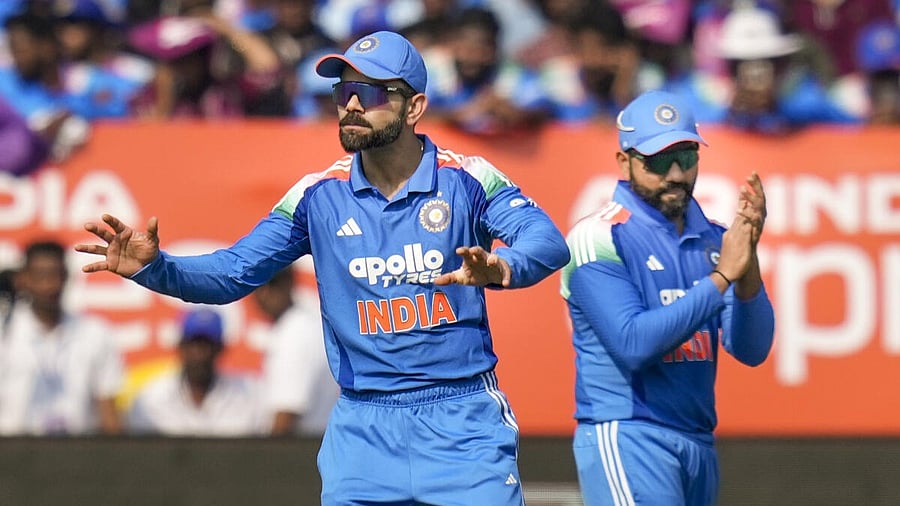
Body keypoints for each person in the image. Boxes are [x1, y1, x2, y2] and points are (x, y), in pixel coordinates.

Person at [75, 30, 569, 504]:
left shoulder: (468, 178)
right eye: (343, 92)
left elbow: (546, 242)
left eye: (369, 93)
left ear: (414, 107)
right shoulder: (316, 195)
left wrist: (501, 268)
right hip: (363, 430)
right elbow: (232, 272)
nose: (351, 105)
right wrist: (155, 268)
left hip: (461, 420)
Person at [559, 90, 775, 505]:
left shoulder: (714, 239)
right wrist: (721, 278)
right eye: (658, 161)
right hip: (628, 433)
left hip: (698, 441)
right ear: (624, 162)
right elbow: (633, 344)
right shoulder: (597, 237)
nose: (676, 174)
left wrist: (747, 263)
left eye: (686, 157)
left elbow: (752, 349)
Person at [0, 240, 124, 436]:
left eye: (55, 275)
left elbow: (108, 409)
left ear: (66, 277)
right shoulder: (5, 332)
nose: (49, 285)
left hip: (77, 449)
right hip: (12, 448)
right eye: (40, 276)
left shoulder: (95, 333)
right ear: (23, 278)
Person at [127, 307, 264, 436]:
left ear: (220, 348)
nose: (199, 354)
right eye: (193, 345)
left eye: (206, 345)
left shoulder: (248, 394)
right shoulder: (150, 399)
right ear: (180, 346)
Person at [253, 266, 339, 437]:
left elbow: (286, 415)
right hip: (322, 440)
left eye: (273, 283)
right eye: (257, 284)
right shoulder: (306, 321)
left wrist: (264, 453)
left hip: (304, 445)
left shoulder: (293, 333)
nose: (264, 293)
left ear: (289, 282)